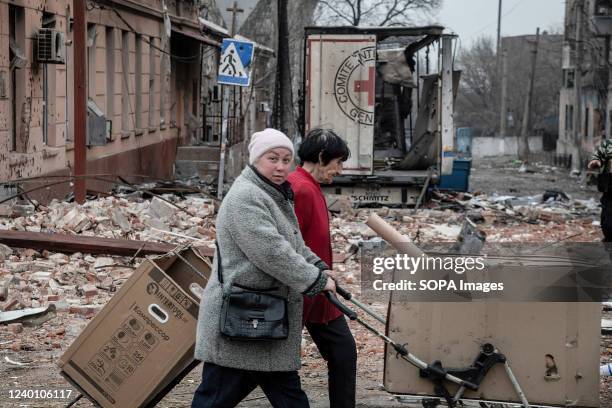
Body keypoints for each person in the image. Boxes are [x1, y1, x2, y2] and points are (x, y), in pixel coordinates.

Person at [192, 128, 336, 408]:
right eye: (273, 159)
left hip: (262, 320)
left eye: (286, 160)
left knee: (283, 395)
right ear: (256, 158)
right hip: (242, 318)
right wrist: (314, 280)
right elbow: (271, 252)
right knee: (215, 398)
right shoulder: (246, 197)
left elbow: (291, 242)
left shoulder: (272, 193)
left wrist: (317, 265)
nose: (281, 167)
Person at [287, 128, 356, 408]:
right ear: (320, 157)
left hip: (320, 293)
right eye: (338, 162)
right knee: (272, 369)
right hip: (302, 292)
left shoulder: (309, 186)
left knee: (343, 354)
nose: (340, 170)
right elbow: (290, 244)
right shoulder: (299, 188)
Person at [588, 138, 612, 242]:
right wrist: (596, 161)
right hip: (610, 192)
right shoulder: (609, 144)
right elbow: (598, 155)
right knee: (608, 224)